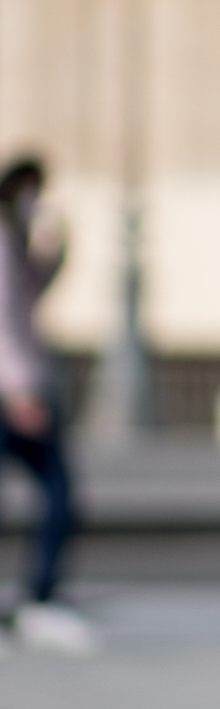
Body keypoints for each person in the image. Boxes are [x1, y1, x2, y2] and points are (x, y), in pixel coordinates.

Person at [0, 156, 90, 655]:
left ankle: (41, 593)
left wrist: (55, 250)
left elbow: (29, 296)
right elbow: (3, 324)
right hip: (16, 391)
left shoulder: (14, 236)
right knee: (58, 490)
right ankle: (39, 594)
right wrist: (19, 391)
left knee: (59, 492)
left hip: (21, 386)